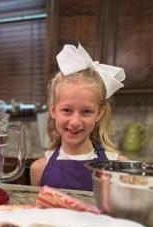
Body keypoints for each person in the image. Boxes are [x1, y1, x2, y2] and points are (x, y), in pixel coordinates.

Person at [30, 43, 127, 191]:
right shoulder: (38, 169)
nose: (75, 122)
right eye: (67, 110)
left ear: (99, 114)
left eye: (86, 111)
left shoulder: (118, 167)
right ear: (53, 111)